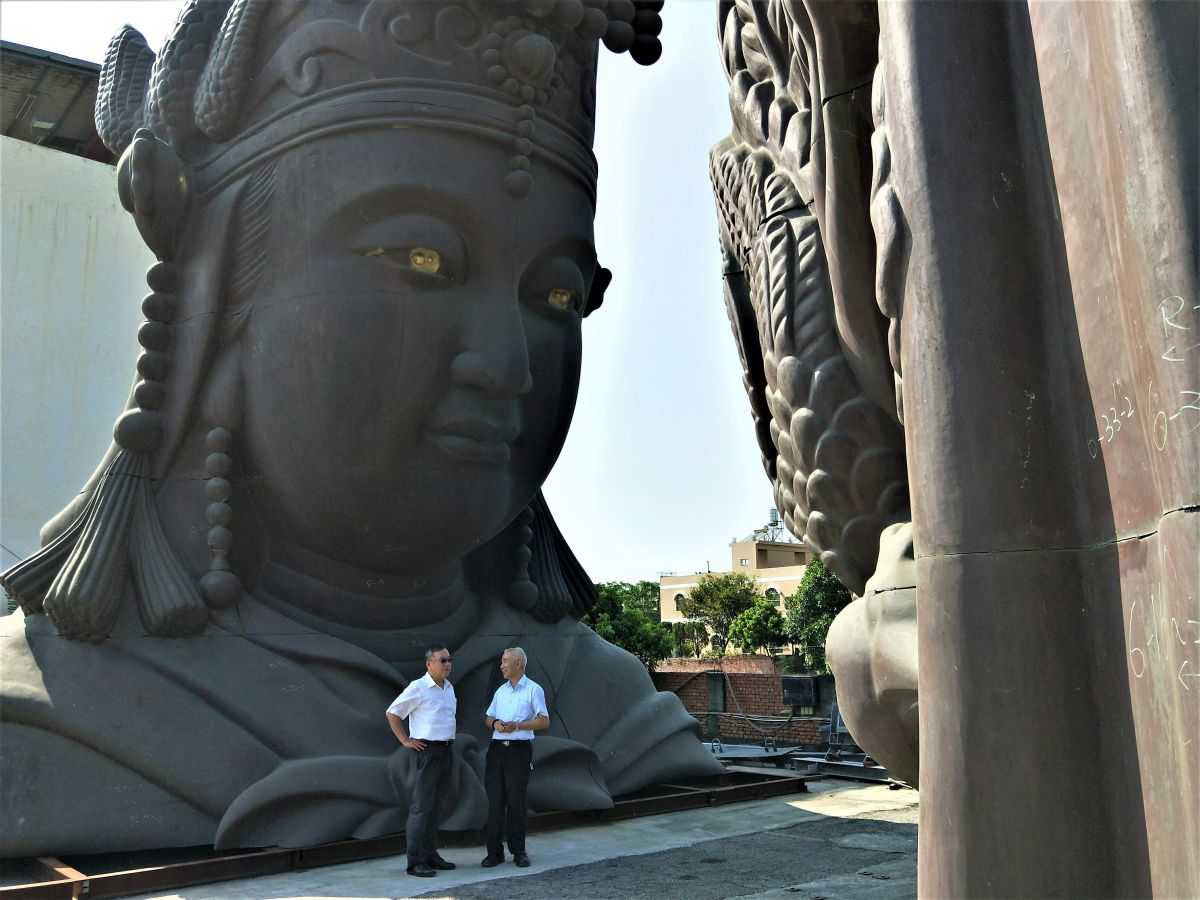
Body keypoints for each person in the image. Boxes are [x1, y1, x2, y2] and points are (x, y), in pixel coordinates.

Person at [0, 0, 723, 858]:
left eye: (557, 296)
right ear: (219, 303)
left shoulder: (611, 709)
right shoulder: (53, 715)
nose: (504, 363)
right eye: (419, 258)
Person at [385, 644, 459, 878]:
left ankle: (430, 855)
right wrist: (405, 740)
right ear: (429, 664)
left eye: (449, 660)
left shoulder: (448, 687)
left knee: (437, 806)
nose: (447, 664)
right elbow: (393, 712)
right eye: (442, 660)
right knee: (422, 807)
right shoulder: (418, 688)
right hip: (426, 751)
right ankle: (415, 861)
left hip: (446, 750)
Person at [481, 647, 548, 868]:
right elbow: (488, 717)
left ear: (518, 663)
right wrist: (494, 723)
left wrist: (517, 725)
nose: (501, 665)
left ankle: (519, 851)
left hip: (519, 750)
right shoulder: (500, 691)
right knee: (495, 802)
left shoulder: (533, 690)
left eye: (505, 661)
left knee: (516, 802)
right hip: (497, 750)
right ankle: (494, 852)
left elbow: (543, 721)